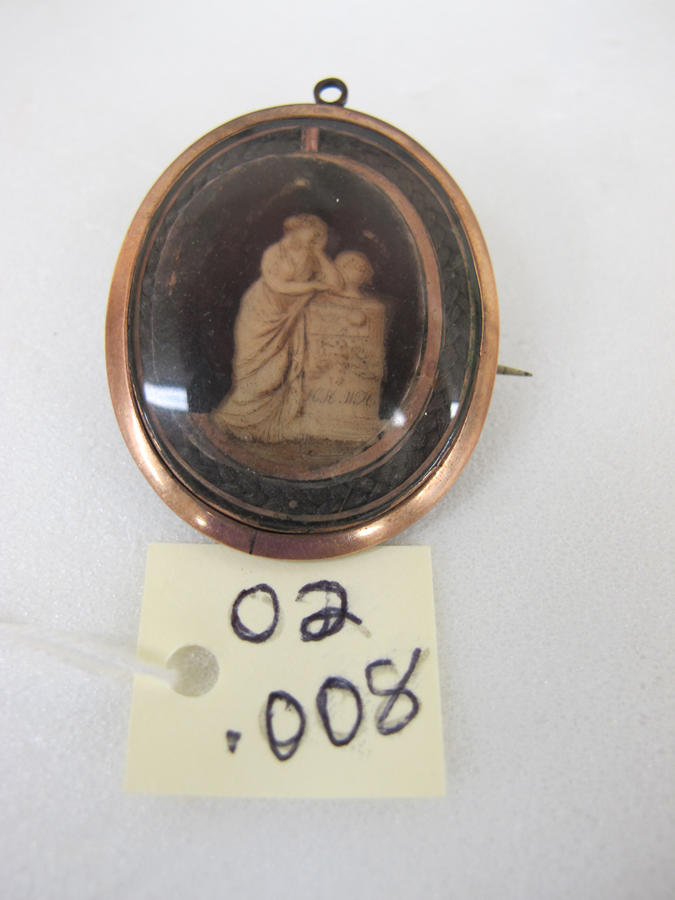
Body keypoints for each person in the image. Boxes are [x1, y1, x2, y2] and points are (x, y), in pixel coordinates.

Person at [211, 214, 342, 442]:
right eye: (313, 233)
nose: (316, 238)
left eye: (320, 236)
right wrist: (313, 285)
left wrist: (320, 253)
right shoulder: (275, 252)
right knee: (254, 371)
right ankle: (233, 420)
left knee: (279, 371)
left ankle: (264, 426)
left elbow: (336, 284)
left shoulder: (312, 257)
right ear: (297, 230)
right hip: (260, 314)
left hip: (288, 318)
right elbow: (277, 285)